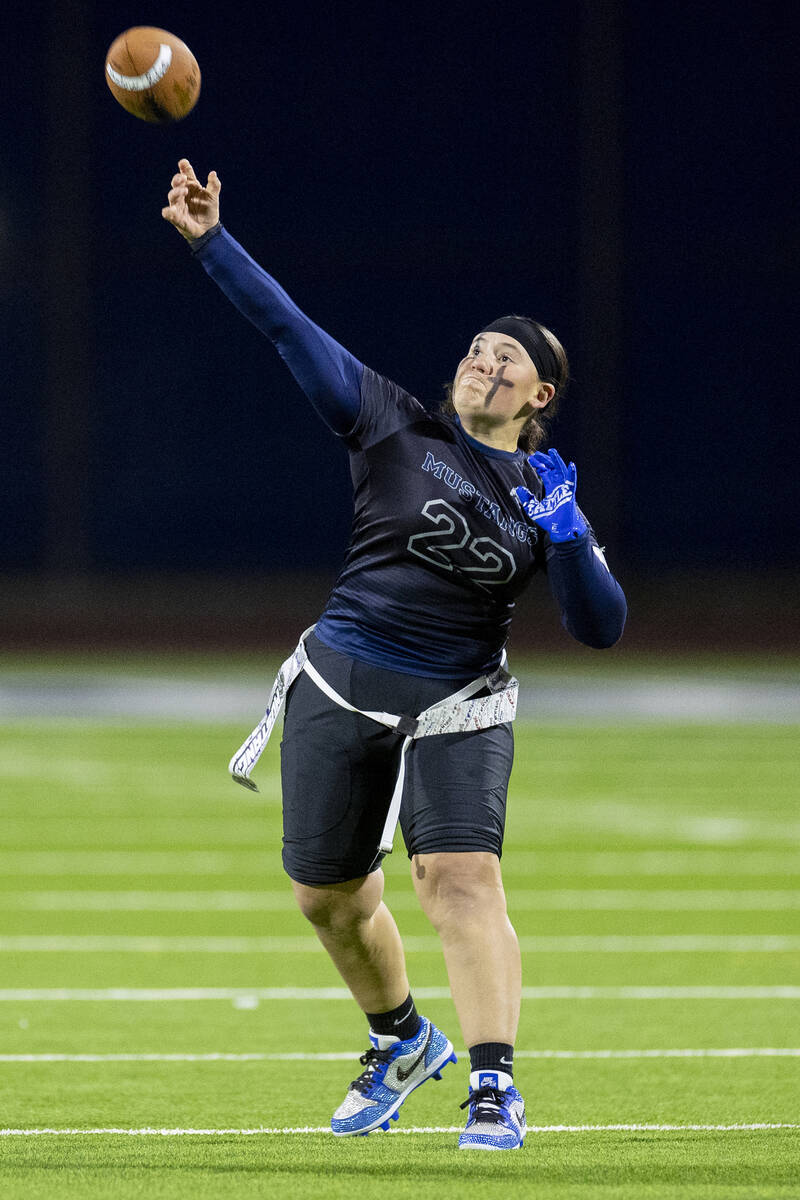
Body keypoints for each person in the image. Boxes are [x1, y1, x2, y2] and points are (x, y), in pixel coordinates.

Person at [162, 159, 627, 1151]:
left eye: (505, 357)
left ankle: (494, 1084)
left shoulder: (541, 490)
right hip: (340, 674)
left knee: (457, 877)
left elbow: (598, 626)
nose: (481, 362)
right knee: (325, 897)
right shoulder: (389, 421)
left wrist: (569, 529)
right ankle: (402, 1040)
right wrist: (210, 242)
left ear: (538, 389)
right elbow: (288, 327)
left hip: (456, 701)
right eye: (474, 348)